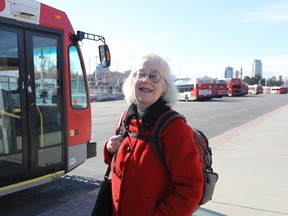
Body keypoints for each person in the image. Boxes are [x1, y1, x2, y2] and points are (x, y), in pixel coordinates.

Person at [103, 53, 204, 216]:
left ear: (165, 86)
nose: (146, 80)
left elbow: (190, 191)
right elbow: (120, 165)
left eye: (154, 76)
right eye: (140, 74)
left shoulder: (175, 129)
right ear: (132, 80)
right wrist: (109, 149)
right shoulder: (125, 118)